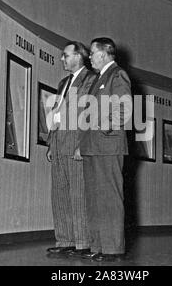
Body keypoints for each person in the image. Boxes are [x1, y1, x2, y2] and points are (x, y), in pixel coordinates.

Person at [73, 37, 132, 262]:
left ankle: (113, 249)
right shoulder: (98, 79)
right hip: (93, 147)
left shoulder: (117, 74)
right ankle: (98, 246)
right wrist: (83, 145)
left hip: (108, 145)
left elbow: (124, 108)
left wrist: (102, 126)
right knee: (95, 199)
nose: (89, 57)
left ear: (104, 54)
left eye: (92, 53)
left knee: (109, 198)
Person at [46, 41, 97, 256]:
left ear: (79, 56)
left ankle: (83, 242)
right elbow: (57, 113)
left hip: (76, 144)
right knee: (59, 194)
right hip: (58, 145)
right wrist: (51, 142)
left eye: (65, 55)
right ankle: (65, 240)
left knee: (78, 194)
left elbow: (92, 115)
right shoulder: (63, 83)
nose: (62, 59)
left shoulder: (92, 80)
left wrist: (82, 145)